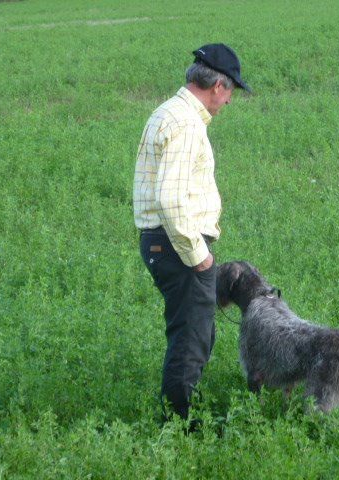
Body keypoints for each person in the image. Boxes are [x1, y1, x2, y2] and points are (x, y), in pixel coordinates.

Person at [133, 43, 251, 421]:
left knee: (194, 331)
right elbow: (170, 200)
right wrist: (200, 257)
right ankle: (181, 426)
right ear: (218, 85)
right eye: (231, 90)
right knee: (191, 339)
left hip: (165, 243)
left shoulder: (171, 111)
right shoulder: (185, 124)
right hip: (177, 246)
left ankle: (181, 414)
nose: (229, 101)